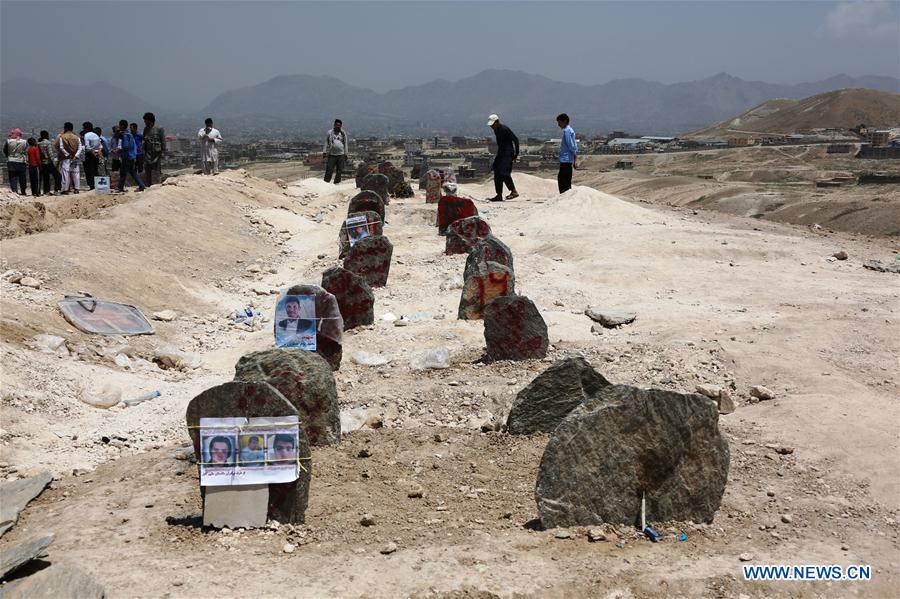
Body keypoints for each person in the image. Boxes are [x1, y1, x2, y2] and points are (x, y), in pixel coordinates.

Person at [486, 114, 519, 201]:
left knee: (504, 173)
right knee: (496, 171)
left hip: (508, 153)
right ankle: (499, 194)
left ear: (497, 122)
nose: (491, 126)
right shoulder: (496, 130)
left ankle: (514, 191)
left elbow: (516, 140)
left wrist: (516, 154)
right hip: (501, 153)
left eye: (492, 124)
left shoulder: (504, 129)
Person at [114, 119, 145, 192]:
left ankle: (120, 188)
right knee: (133, 172)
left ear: (121, 126)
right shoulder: (129, 134)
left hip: (127, 157)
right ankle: (141, 185)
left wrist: (119, 150)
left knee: (123, 173)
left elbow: (125, 146)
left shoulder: (125, 135)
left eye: (119, 125)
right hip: (131, 156)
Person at [57, 122, 83, 194]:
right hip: (75, 158)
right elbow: (80, 148)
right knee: (76, 173)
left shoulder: (62, 137)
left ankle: (65, 189)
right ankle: (77, 189)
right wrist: (76, 156)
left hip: (66, 158)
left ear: (65, 128)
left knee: (65, 174)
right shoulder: (76, 137)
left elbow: (61, 147)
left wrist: (67, 154)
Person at [141, 112, 166, 186]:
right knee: (147, 170)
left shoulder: (159, 129)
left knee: (156, 171)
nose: (145, 122)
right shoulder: (145, 129)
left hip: (156, 154)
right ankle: (149, 185)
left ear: (149, 120)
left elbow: (163, 141)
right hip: (147, 154)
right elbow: (144, 140)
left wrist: (162, 152)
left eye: (145, 120)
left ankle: (156, 185)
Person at [556, 113, 578, 194]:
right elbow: (574, 145)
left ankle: (564, 198)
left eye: (559, 122)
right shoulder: (570, 130)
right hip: (568, 159)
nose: (558, 125)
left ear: (564, 121)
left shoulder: (567, 131)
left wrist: (575, 158)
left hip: (566, 159)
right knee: (566, 181)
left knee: (562, 181)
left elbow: (571, 145)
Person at [3, 128, 28, 194]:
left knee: (13, 177)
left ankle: (14, 191)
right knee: (22, 177)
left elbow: (5, 150)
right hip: (21, 161)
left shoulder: (8, 141)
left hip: (11, 161)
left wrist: (8, 155)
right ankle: (23, 191)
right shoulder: (24, 142)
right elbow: (25, 151)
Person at [323, 119, 348, 184]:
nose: (338, 126)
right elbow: (326, 142)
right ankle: (326, 183)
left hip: (341, 154)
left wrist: (346, 153)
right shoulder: (330, 132)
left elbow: (345, 143)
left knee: (339, 170)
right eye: (337, 125)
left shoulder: (343, 133)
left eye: (339, 125)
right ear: (334, 125)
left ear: (341, 126)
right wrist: (324, 151)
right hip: (332, 154)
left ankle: (337, 183)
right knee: (329, 169)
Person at [38, 130, 60, 195]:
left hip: (43, 162)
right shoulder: (48, 143)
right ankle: (57, 190)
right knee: (57, 176)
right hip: (49, 162)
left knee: (46, 177)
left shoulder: (39, 143)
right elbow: (50, 153)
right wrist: (54, 161)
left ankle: (46, 191)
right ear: (47, 135)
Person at [81, 122, 101, 189]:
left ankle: (92, 186)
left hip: (89, 154)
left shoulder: (86, 135)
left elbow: (87, 147)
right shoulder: (96, 135)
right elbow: (99, 145)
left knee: (89, 171)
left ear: (86, 128)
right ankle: (98, 185)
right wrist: (97, 152)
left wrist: (92, 152)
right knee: (95, 170)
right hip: (96, 154)